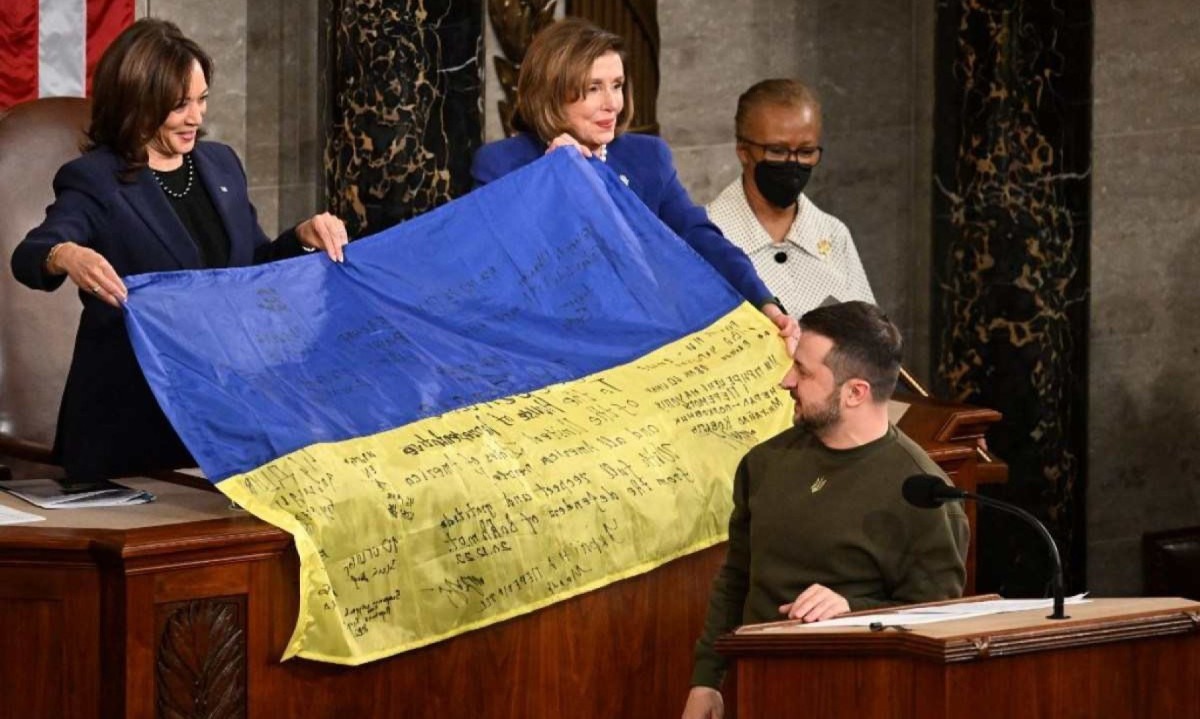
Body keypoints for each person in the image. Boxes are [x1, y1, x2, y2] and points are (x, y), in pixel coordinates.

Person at [10, 18, 349, 488]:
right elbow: (31, 254)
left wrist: (301, 237)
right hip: (129, 428)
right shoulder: (95, 179)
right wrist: (66, 255)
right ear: (137, 102)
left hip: (221, 414)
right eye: (179, 105)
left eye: (201, 99)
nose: (197, 117)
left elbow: (247, 269)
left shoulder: (221, 164)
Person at [681, 301, 968, 719]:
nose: (786, 381)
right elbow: (737, 578)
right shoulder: (764, 463)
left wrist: (852, 609)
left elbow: (935, 623)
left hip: (858, 698)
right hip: (757, 692)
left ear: (855, 392)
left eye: (803, 371)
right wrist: (707, 680)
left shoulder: (925, 493)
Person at [471, 18, 798, 341]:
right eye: (593, 88)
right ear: (551, 94)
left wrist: (764, 303)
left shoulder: (648, 158)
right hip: (542, 346)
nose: (612, 103)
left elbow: (700, 238)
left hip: (638, 343)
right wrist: (553, 178)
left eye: (617, 85)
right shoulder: (501, 165)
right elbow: (488, 272)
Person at [707, 79, 875, 317]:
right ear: (743, 151)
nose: (793, 163)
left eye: (806, 152)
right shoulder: (704, 237)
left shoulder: (834, 235)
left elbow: (870, 340)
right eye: (777, 151)